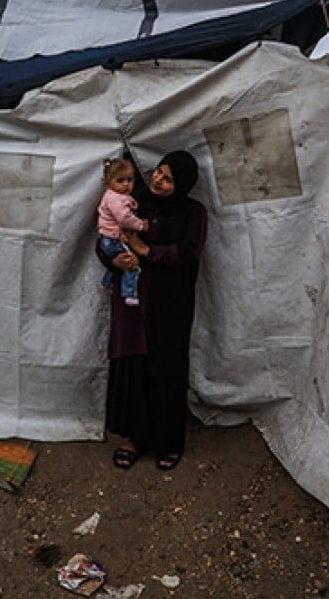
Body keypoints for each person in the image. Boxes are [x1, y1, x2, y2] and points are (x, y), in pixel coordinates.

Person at [96, 150, 207, 471]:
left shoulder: (192, 212)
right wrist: (114, 260)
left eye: (169, 179)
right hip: (132, 302)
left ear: (181, 184)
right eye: (159, 172)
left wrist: (147, 250)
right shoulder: (135, 200)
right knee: (134, 366)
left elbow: (189, 253)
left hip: (169, 302)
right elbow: (106, 236)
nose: (159, 180)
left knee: (167, 367)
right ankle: (134, 438)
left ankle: (167, 442)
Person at [96, 158, 149, 306]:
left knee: (117, 262)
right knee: (131, 264)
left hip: (107, 239)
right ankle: (129, 294)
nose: (126, 184)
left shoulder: (113, 195)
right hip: (112, 239)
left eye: (129, 180)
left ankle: (107, 284)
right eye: (120, 181)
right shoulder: (116, 199)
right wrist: (140, 225)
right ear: (108, 183)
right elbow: (124, 218)